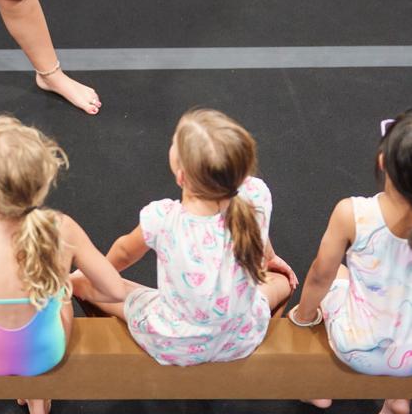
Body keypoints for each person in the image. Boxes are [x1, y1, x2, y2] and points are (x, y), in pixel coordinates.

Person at [0, 114, 129, 414]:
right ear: (41, 187)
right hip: (45, 354)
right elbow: (115, 290)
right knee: (59, 294)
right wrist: (64, 286)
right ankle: (38, 401)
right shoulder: (62, 230)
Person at [72, 108, 298, 364]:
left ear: (181, 176)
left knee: (81, 283)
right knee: (283, 280)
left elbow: (123, 253)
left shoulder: (163, 218)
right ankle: (257, 351)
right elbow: (260, 232)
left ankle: (111, 347)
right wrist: (271, 257)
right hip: (240, 339)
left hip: (172, 341)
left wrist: (95, 274)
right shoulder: (257, 194)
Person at [290, 110, 412, 414]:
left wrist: (304, 316)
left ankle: (318, 389)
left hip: (359, 349)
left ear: (383, 161)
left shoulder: (354, 213)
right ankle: (397, 401)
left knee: (337, 280)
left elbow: (321, 274)